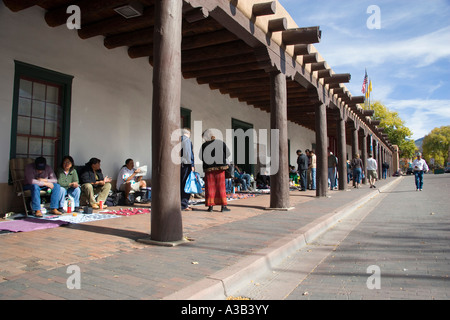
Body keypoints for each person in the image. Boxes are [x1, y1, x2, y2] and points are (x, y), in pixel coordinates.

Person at [200, 130, 231, 212]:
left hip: (209, 169)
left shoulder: (204, 145)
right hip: (220, 169)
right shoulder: (220, 143)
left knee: (210, 187)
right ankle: (223, 207)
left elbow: (201, 157)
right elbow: (228, 153)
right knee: (221, 187)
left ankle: (210, 207)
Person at [180, 128, 195, 211]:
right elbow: (188, 153)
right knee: (186, 184)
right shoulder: (187, 140)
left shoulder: (178, 140)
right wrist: (192, 164)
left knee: (180, 184)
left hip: (178, 164)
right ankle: (184, 204)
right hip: (186, 165)